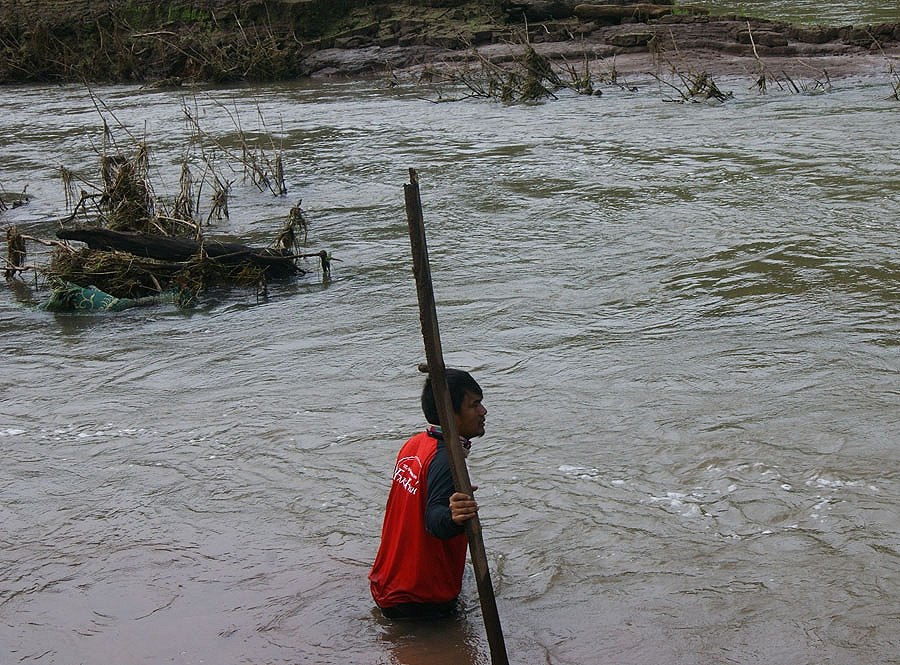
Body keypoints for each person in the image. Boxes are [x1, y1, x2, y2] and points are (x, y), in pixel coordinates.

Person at [369, 368, 487, 620]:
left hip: (388, 585)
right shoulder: (446, 460)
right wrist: (454, 518)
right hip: (421, 600)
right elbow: (435, 519)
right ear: (450, 414)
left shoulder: (415, 444)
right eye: (474, 405)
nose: (482, 412)